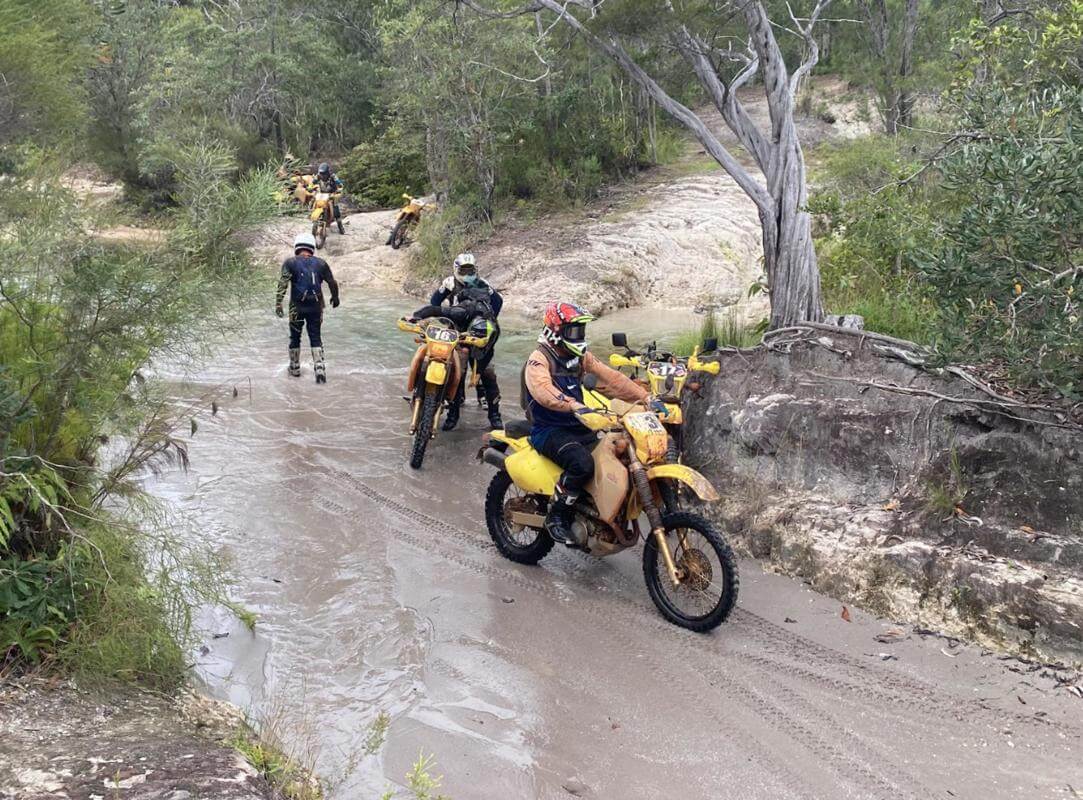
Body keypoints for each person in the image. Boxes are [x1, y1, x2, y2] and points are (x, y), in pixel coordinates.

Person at [523, 301, 656, 548]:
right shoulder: (539, 359)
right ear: (556, 330)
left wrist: (647, 398)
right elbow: (543, 390)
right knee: (582, 464)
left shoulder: (580, 357)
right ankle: (558, 516)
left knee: (618, 457)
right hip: (549, 430)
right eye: (573, 331)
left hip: (580, 426)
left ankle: (597, 511)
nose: (579, 337)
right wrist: (573, 405)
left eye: (581, 331)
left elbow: (613, 379)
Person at [417, 253, 504, 431]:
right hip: (456, 329)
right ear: (456, 270)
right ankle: (453, 413)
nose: (467, 274)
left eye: (470, 270)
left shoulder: (483, 285)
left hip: (480, 332)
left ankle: (494, 415)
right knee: (457, 371)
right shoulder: (449, 284)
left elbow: (498, 302)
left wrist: (485, 322)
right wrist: (447, 322)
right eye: (463, 270)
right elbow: (435, 303)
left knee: (488, 373)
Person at [275, 232, 340, 383]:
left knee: (295, 337)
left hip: (296, 308)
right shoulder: (321, 263)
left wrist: (278, 303)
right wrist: (335, 297)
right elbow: (332, 282)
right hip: (316, 307)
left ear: (297, 247)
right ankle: (319, 370)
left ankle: (295, 368)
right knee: (315, 337)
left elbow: (283, 284)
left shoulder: (290, 263)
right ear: (312, 247)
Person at [314, 162, 345, 235]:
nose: (322, 176)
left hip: (331, 194)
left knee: (335, 208)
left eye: (324, 174)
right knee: (315, 202)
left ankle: (340, 226)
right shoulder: (318, 176)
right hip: (322, 194)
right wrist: (310, 187)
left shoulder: (333, 176)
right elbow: (313, 182)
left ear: (327, 172)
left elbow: (339, 183)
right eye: (321, 174)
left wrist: (339, 187)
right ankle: (315, 217)